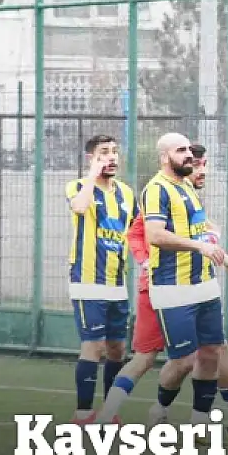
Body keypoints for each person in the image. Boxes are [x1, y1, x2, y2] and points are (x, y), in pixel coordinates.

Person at [97, 144, 228, 428]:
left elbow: (205, 232)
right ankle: (111, 414)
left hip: (192, 288)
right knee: (150, 358)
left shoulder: (189, 196)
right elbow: (140, 234)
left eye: (204, 165)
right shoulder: (158, 195)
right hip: (159, 288)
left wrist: (216, 249)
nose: (201, 171)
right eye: (197, 165)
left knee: (215, 350)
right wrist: (144, 261)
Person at [140, 133, 228, 428]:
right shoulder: (156, 189)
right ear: (164, 157)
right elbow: (155, 235)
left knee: (212, 353)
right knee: (184, 361)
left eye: (189, 150)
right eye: (180, 150)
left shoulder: (186, 186)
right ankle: (160, 408)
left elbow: (199, 230)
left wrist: (222, 254)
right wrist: (199, 247)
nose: (188, 155)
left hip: (205, 284)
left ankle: (200, 419)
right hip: (173, 287)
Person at [66, 135, 138, 424]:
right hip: (87, 280)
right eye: (104, 152)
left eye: (115, 152)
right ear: (91, 158)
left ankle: (109, 411)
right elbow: (79, 207)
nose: (112, 157)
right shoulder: (78, 186)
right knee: (93, 346)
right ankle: (83, 412)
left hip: (116, 282)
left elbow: (137, 230)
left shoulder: (126, 194)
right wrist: (92, 176)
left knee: (117, 349)